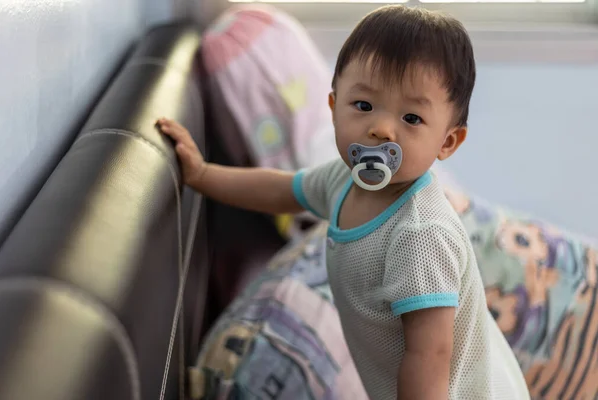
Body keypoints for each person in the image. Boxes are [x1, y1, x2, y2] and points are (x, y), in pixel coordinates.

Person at [158, 5, 529, 399]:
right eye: (364, 106)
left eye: (411, 118)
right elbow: (280, 190)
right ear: (334, 109)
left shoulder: (420, 235)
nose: (382, 129)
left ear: (448, 142)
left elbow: (431, 354)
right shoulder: (343, 180)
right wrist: (201, 175)